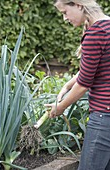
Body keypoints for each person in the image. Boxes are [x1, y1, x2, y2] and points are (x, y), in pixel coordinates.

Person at [45, 0, 110, 169]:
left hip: (104, 116)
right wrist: (67, 85)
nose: (65, 18)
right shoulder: (107, 25)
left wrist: (60, 107)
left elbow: (84, 84)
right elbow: (97, 68)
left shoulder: (95, 33)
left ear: (78, 5)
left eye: (65, 12)